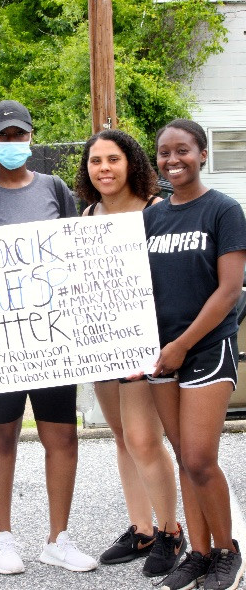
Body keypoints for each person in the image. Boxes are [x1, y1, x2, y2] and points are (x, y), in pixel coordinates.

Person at [0, 99, 97, 575]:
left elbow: (76, 254)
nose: (12, 144)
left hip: (54, 339)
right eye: (3, 136)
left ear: (30, 136)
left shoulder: (56, 189)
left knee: (63, 437)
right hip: (0, 344)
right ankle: (2, 537)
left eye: (20, 135)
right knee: (1, 436)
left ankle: (59, 538)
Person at [75, 128, 186, 578]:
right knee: (121, 436)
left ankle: (170, 531)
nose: (104, 168)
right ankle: (141, 528)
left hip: (146, 346)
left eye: (113, 159)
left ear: (132, 163)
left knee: (144, 439)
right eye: (96, 161)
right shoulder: (87, 214)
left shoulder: (157, 212)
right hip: (103, 344)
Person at [144, 118, 246, 590]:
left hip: (205, 348)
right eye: (164, 152)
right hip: (161, 356)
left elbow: (229, 291)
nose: (173, 160)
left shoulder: (224, 211)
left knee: (202, 458)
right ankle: (199, 554)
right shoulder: (152, 217)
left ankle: (227, 551)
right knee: (184, 456)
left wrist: (182, 346)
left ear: (202, 154)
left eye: (182, 150)